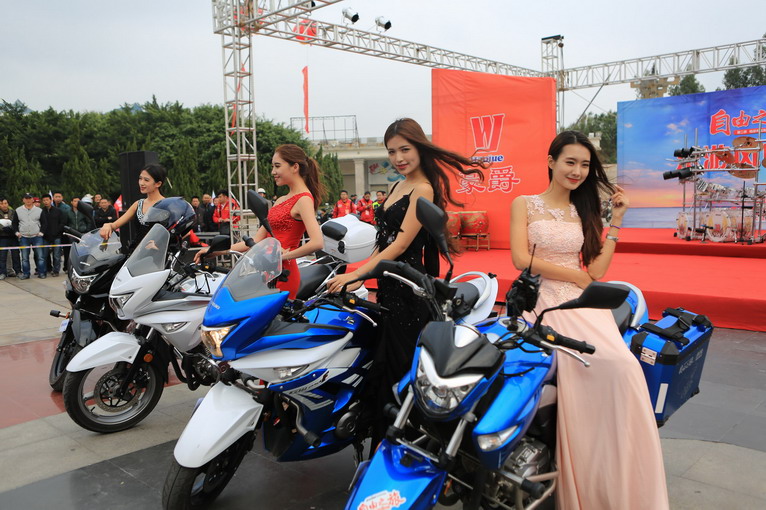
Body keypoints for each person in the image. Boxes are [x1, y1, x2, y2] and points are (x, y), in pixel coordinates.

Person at [509, 131, 668, 510]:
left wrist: (618, 221)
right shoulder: (524, 204)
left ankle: (618, 469)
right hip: (540, 300)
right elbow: (520, 259)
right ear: (551, 162)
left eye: (584, 165)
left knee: (623, 367)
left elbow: (595, 271)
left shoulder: (584, 209)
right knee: (568, 372)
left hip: (580, 303)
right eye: (570, 162)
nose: (577, 171)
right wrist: (575, 276)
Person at [327, 118, 486, 447]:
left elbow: (400, 245)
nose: (398, 158)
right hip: (390, 282)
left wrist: (356, 274)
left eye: (405, 149)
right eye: (391, 152)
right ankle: (384, 443)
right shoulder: (398, 186)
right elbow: (383, 240)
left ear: (419, 148)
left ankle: (405, 445)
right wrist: (359, 272)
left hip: (409, 287)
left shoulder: (423, 188)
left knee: (399, 368)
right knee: (384, 361)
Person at [196, 144, 324, 299]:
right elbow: (256, 241)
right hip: (266, 272)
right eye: (273, 166)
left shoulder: (303, 199)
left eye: (277, 166)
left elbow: (317, 242)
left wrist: (282, 257)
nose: (273, 172)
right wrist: (215, 251)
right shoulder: (281, 200)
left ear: (295, 167)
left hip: (284, 275)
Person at [99, 163, 167, 245]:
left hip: (160, 251)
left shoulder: (167, 205)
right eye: (140, 179)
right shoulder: (138, 204)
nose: (141, 183)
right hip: (137, 250)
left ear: (158, 184)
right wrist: (108, 225)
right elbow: (115, 225)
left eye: (146, 180)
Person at [13, 193, 47, 279]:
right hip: (24, 237)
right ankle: (26, 274)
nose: (28, 200)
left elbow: (44, 223)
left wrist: (41, 232)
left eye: (30, 198)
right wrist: (17, 233)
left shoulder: (39, 210)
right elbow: (14, 223)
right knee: (24, 257)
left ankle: (41, 273)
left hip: (37, 237)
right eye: (26, 198)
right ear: (23, 200)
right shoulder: (18, 210)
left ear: (32, 200)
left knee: (40, 256)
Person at [41, 194, 66, 277]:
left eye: (47, 200)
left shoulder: (58, 211)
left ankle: (56, 270)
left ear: (51, 200)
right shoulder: (41, 211)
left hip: (56, 236)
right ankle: (45, 270)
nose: (46, 202)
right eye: (44, 200)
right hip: (45, 236)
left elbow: (62, 223)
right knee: (44, 255)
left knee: (57, 255)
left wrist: (57, 231)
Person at [0, 196, 22, 279]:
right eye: (1, 204)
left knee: (16, 255)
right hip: (2, 237)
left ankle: (18, 271)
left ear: (8, 204)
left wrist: (11, 228)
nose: (4, 205)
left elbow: (16, 222)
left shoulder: (13, 212)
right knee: (2, 256)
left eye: (5, 203)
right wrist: (3, 228)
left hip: (13, 236)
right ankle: (2, 273)